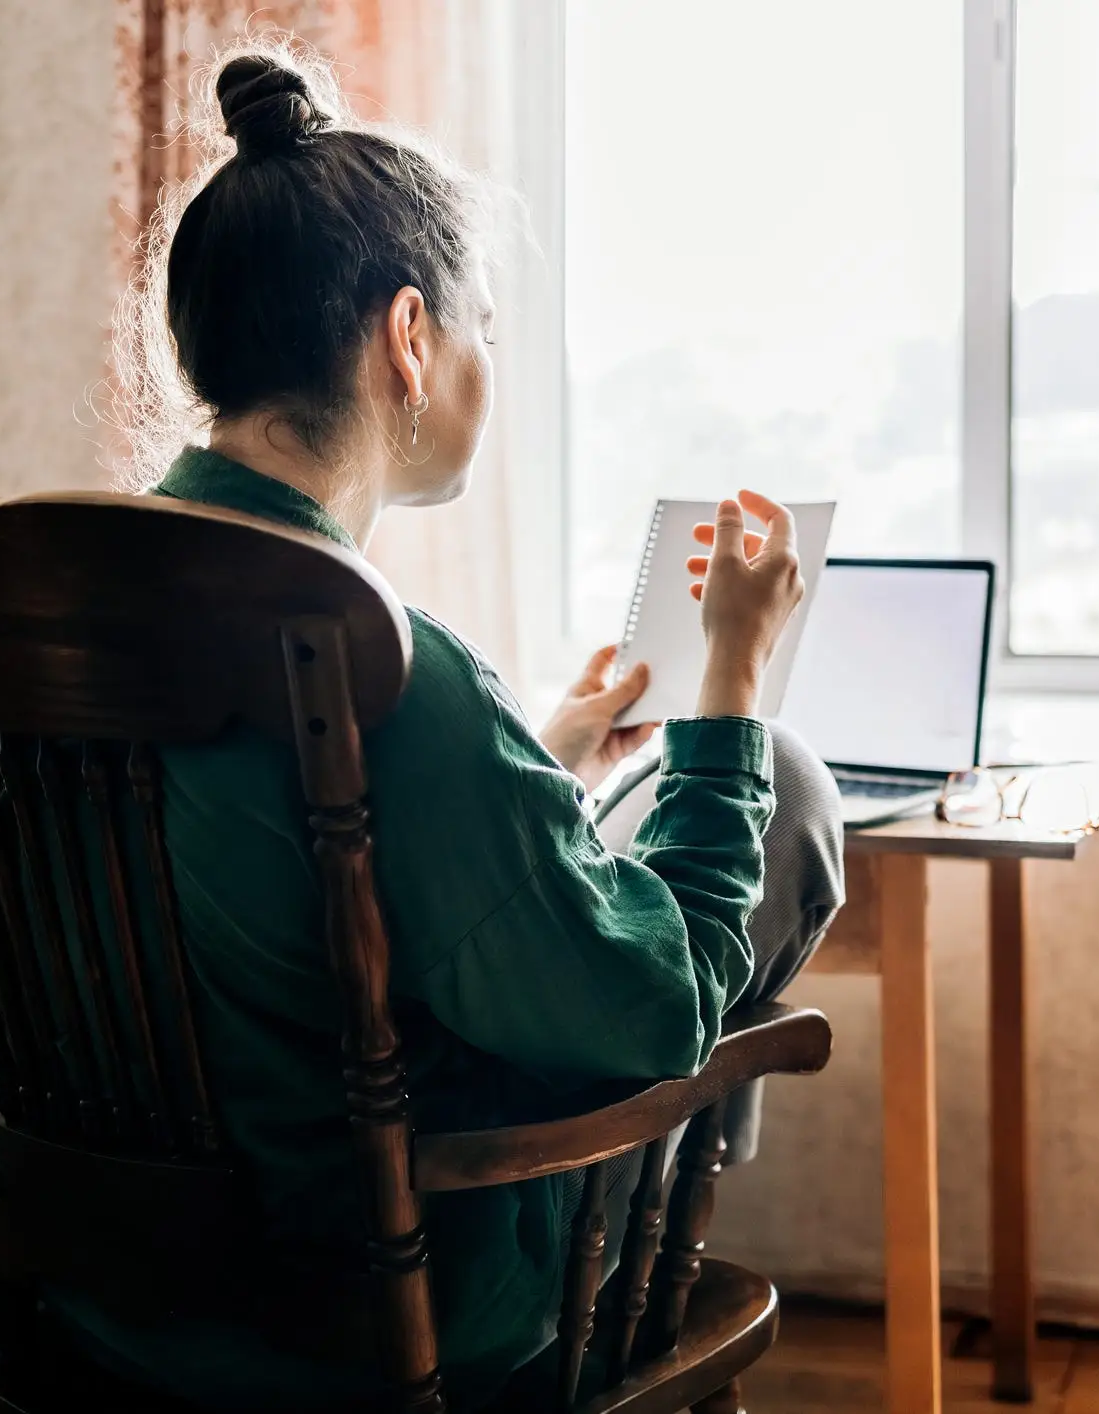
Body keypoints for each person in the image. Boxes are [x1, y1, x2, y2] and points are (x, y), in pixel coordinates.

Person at [85, 42, 844, 1411]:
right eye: (480, 322)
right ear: (410, 337)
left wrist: (534, 761)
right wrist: (727, 677)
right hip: (383, 1313)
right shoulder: (381, 664)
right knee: (782, 785)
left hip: (110, 1299)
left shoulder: (77, 612)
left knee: (597, 843)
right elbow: (663, 1007)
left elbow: (276, 868)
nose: (482, 356)